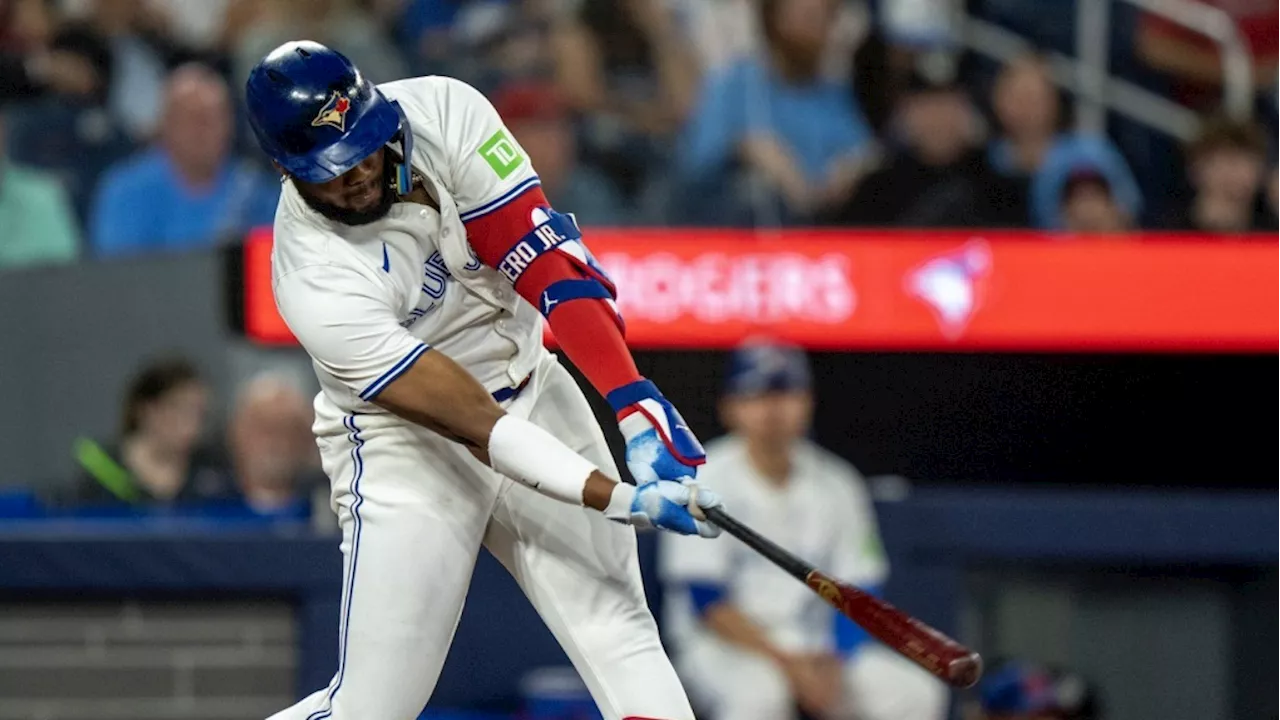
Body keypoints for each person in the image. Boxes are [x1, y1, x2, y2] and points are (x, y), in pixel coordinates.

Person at [243, 41, 723, 720]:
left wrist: (633, 399)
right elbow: (478, 425)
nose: (354, 174)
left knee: (620, 630)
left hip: (533, 382)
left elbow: (549, 266)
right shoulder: (312, 275)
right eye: (331, 168)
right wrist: (614, 496)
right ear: (284, 168)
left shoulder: (445, 110)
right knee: (374, 710)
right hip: (407, 447)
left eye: (363, 148)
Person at [659, 339, 948, 720]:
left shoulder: (838, 483)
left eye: (784, 393)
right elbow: (705, 600)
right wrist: (786, 663)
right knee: (760, 698)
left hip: (819, 651)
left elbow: (859, 591)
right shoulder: (702, 480)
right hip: (723, 649)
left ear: (807, 402)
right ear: (730, 407)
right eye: (757, 395)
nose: (773, 408)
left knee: (913, 694)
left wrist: (834, 661)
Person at [88, 63, 279, 257]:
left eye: (213, 119)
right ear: (166, 123)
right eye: (191, 118)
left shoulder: (255, 190)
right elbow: (116, 275)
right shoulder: (124, 191)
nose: (202, 131)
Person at [68, 356, 234, 508]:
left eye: (200, 413)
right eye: (179, 409)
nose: (191, 424)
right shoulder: (102, 468)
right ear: (146, 410)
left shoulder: (212, 470)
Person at [226, 372, 319, 519]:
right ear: (238, 433)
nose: (275, 443)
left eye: (287, 430)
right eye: (264, 429)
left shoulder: (330, 508)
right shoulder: (203, 499)